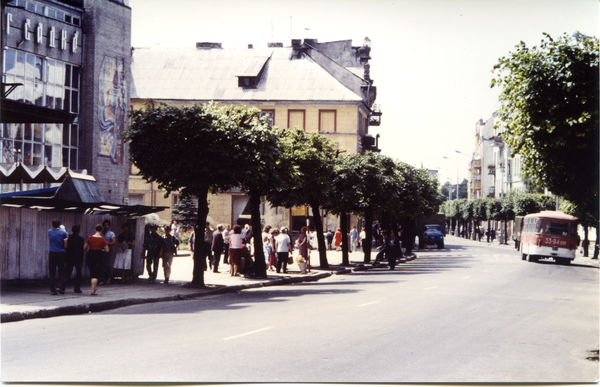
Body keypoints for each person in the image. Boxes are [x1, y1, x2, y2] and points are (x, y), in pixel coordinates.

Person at [84, 224, 109, 296]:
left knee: (92, 271)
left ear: (95, 229)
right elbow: (107, 250)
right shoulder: (103, 240)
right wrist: (101, 249)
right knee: (96, 273)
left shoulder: (89, 238)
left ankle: (93, 288)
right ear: (101, 231)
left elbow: (85, 247)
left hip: (90, 255)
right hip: (99, 255)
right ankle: (93, 290)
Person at [48, 219, 68, 295]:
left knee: (52, 272)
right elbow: (65, 245)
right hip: (60, 253)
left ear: (52, 224)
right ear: (59, 225)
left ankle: (52, 290)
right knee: (62, 271)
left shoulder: (49, 231)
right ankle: (59, 285)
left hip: (52, 252)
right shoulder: (64, 233)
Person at [63, 224, 84, 293]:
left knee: (68, 272)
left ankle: (62, 287)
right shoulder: (81, 239)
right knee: (78, 273)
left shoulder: (69, 237)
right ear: (79, 231)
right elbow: (81, 250)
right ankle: (77, 288)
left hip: (69, 257)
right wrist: (81, 260)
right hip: (78, 258)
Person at [100, 220, 117, 285]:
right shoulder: (101, 233)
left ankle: (108, 278)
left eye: (107, 225)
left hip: (108, 250)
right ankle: (102, 279)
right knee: (101, 265)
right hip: (101, 250)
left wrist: (106, 243)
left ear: (109, 226)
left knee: (107, 264)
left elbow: (113, 242)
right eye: (104, 225)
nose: (105, 226)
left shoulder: (111, 233)